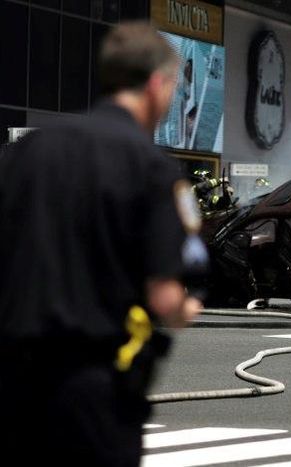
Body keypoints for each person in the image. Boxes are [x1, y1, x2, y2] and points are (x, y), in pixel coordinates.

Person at [0, 21, 206, 466]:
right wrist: (185, 309)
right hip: (94, 389)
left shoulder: (27, 153)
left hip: (14, 381)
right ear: (156, 84)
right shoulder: (153, 170)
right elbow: (166, 296)